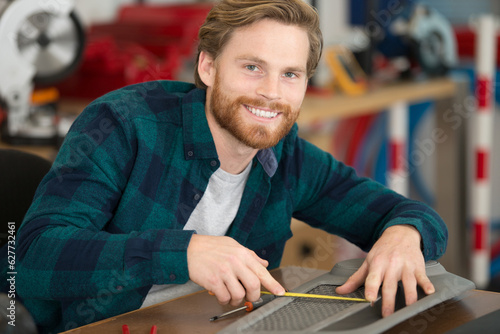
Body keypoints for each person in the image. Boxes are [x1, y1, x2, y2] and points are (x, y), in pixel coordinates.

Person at [13, 0, 447, 332]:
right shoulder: (124, 124)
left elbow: (408, 214)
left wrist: (404, 236)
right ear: (208, 66)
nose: (271, 94)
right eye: (253, 67)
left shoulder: (289, 157)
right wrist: (184, 252)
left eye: (290, 74)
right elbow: (30, 258)